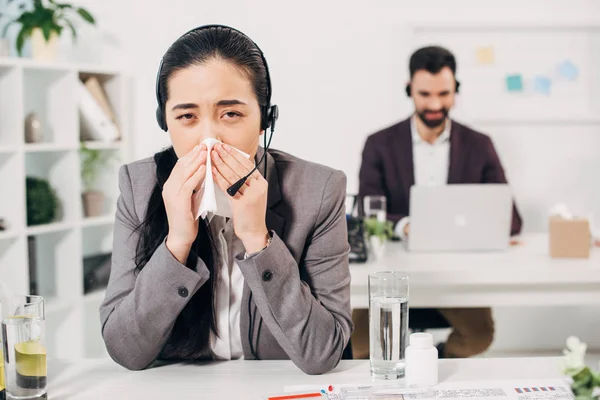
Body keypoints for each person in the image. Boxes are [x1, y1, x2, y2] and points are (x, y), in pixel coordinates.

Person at [99, 25, 353, 374]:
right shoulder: (138, 186)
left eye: (230, 114)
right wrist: (177, 243)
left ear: (265, 119)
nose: (209, 139)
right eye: (187, 117)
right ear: (165, 123)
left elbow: (322, 353)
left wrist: (258, 240)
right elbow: (125, 349)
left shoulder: (320, 189)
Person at [355, 46, 523, 359]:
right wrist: (405, 226)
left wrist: (468, 226)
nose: (435, 104)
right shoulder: (379, 144)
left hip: (455, 269)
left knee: (479, 336)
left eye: (444, 94)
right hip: (392, 268)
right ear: (409, 90)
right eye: (425, 94)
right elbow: (367, 209)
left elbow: (511, 220)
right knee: (360, 345)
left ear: (456, 90)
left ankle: (434, 366)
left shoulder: (479, 144)